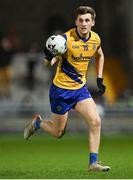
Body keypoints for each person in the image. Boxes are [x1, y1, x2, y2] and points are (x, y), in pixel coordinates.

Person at [24, 6, 111, 172]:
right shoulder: (64, 40)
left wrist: (99, 78)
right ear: (76, 22)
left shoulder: (95, 39)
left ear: (93, 22)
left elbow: (100, 55)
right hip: (61, 91)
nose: (84, 23)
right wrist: (48, 57)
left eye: (87, 20)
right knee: (58, 133)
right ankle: (38, 123)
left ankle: (93, 163)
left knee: (95, 121)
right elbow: (47, 64)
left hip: (80, 90)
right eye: (81, 20)